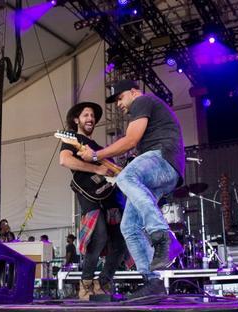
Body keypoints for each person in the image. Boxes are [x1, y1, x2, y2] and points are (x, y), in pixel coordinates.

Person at [77, 80, 185, 297]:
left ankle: (163, 237)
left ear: (133, 92)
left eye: (120, 97)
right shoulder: (149, 112)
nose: (118, 104)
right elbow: (136, 144)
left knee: (126, 177)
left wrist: (96, 155)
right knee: (129, 227)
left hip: (162, 160)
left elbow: (131, 139)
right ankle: (152, 282)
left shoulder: (142, 100)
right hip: (162, 172)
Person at [59, 102, 128, 300]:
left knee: (120, 241)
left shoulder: (99, 148)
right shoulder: (72, 138)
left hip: (110, 195)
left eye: (92, 116)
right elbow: (65, 160)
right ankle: (86, 283)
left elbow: (114, 174)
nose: (90, 118)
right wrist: (96, 169)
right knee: (99, 236)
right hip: (90, 194)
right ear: (76, 120)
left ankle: (103, 283)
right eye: (86, 115)